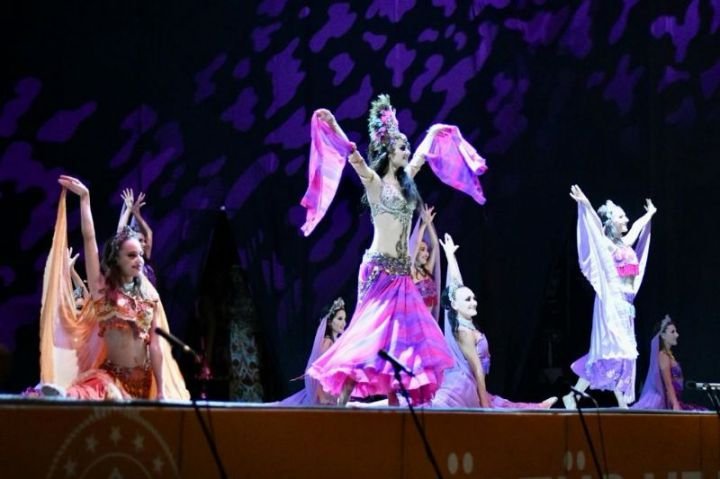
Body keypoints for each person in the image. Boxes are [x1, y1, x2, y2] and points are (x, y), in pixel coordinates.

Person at [305, 94, 462, 406]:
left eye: (407, 148)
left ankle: (394, 406)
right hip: (378, 270)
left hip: (402, 274)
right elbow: (354, 158)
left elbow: (420, 157)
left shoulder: (406, 184)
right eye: (402, 147)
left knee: (401, 339)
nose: (407, 152)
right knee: (369, 335)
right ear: (389, 151)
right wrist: (333, 124)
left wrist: (433, 133)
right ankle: (342, 402)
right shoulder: (375, 184)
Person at [32, 176, 188, 400]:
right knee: (89, 393)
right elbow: (89, 238)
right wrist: (85, 199)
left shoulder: (150, 296)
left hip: (142, 385)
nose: (139, 260)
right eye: (131, 255)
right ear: (117, 259)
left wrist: (161, 390)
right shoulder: (102, 291)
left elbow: (156, 347)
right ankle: (65, 396)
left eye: (141, 255)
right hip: (110, 379)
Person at [431, 233, 556, 409]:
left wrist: (451, 257)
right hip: (462, 387)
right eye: (468, 300)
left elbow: (456, 284)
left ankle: (538, 407)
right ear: (455, 305)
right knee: (494, 406)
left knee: (502, 404)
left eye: (473, 298)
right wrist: (485, 406)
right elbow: (478, 370)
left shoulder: (464, 322)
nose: (473, 302)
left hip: (469, 385)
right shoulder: (463, 331)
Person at [563, 185, 656, 408]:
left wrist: (650, 214)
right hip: (611, 302)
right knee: (614, 350)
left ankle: (577, 396)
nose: (626, 219)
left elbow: (636, 228)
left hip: (626, 303)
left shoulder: (625, 243)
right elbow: (595, 226)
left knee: (618, 352)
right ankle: (616, 401)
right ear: (611, 222)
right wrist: (586, 204)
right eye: (621, 217)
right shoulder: (607, 245)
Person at [279, 298, 347, 406]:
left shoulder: (335, 342)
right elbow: (315, 371)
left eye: (344, 319)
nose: (344, 323)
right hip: (324, 395)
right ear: (329, 322)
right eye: (339, 319)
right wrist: (321, 396)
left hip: (333, 393)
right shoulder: (327, 342)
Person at [632, 315, 706, 411]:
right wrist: (675, 404)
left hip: (676, 399)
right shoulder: (663, 355)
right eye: (672, 332)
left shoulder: (668, 355)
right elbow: (668, 384)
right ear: (663, 335)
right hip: (669, 401)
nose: (677, 335)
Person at [117, 188, 157, 285]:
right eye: (140, 240)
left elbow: (149, 233)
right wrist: (128, 209)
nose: (144, 243)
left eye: (144, 241)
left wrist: (136, 213)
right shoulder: (126, 258)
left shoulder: (145, 258)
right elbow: (120, 231)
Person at [409, 204, 441, 320]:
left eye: (427, 250)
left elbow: (435, 245)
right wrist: (423, 224)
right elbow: (416, 243)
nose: (427, 253)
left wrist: (429, 224)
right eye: (422, 250)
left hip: (428, 322)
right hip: (416, 322)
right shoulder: (411, 271)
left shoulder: (427, 270)